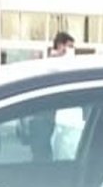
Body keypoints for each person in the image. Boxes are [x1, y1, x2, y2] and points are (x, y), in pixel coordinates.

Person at [27, 33, 77, 161]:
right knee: (41, 158)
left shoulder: (66, 67)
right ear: (60, 46)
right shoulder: (48, 64)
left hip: (55, 121)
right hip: (42, 118)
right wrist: (56, 57)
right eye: (69, 47)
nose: (72, 51)